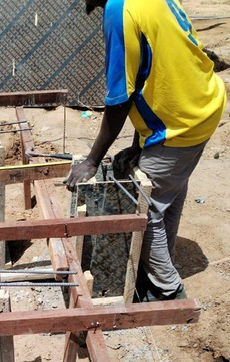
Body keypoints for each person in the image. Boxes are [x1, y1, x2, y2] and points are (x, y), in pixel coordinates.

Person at [65, 0, 226, 301]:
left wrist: (92, 160)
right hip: (203, 104)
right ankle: (159, 268)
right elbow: (160, 68)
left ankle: (167, 289)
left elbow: (120, 97)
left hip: (181, 123)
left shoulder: (119, 11)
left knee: (145, 209)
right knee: (168, 188)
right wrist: (140, 143)